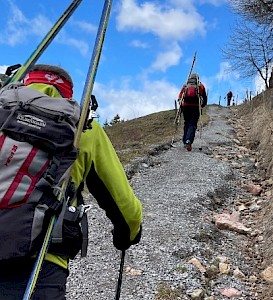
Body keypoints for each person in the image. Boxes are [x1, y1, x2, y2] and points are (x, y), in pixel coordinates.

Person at [0, 64, 143, 300]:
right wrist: (127, 235)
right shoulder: (82, 129)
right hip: (41, 267)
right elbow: (124, 206)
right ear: (68, 94)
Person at [178, 73, 207, 151]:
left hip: (185, 107)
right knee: (192, 124)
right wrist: (202, 106)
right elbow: (204, 98)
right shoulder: (200, 86)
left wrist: (181, 106)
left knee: (186, 123)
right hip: (195, 107)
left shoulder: (185, 85)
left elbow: (180, 96)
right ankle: (189, 140)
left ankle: (185, 141)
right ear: (197, 78)